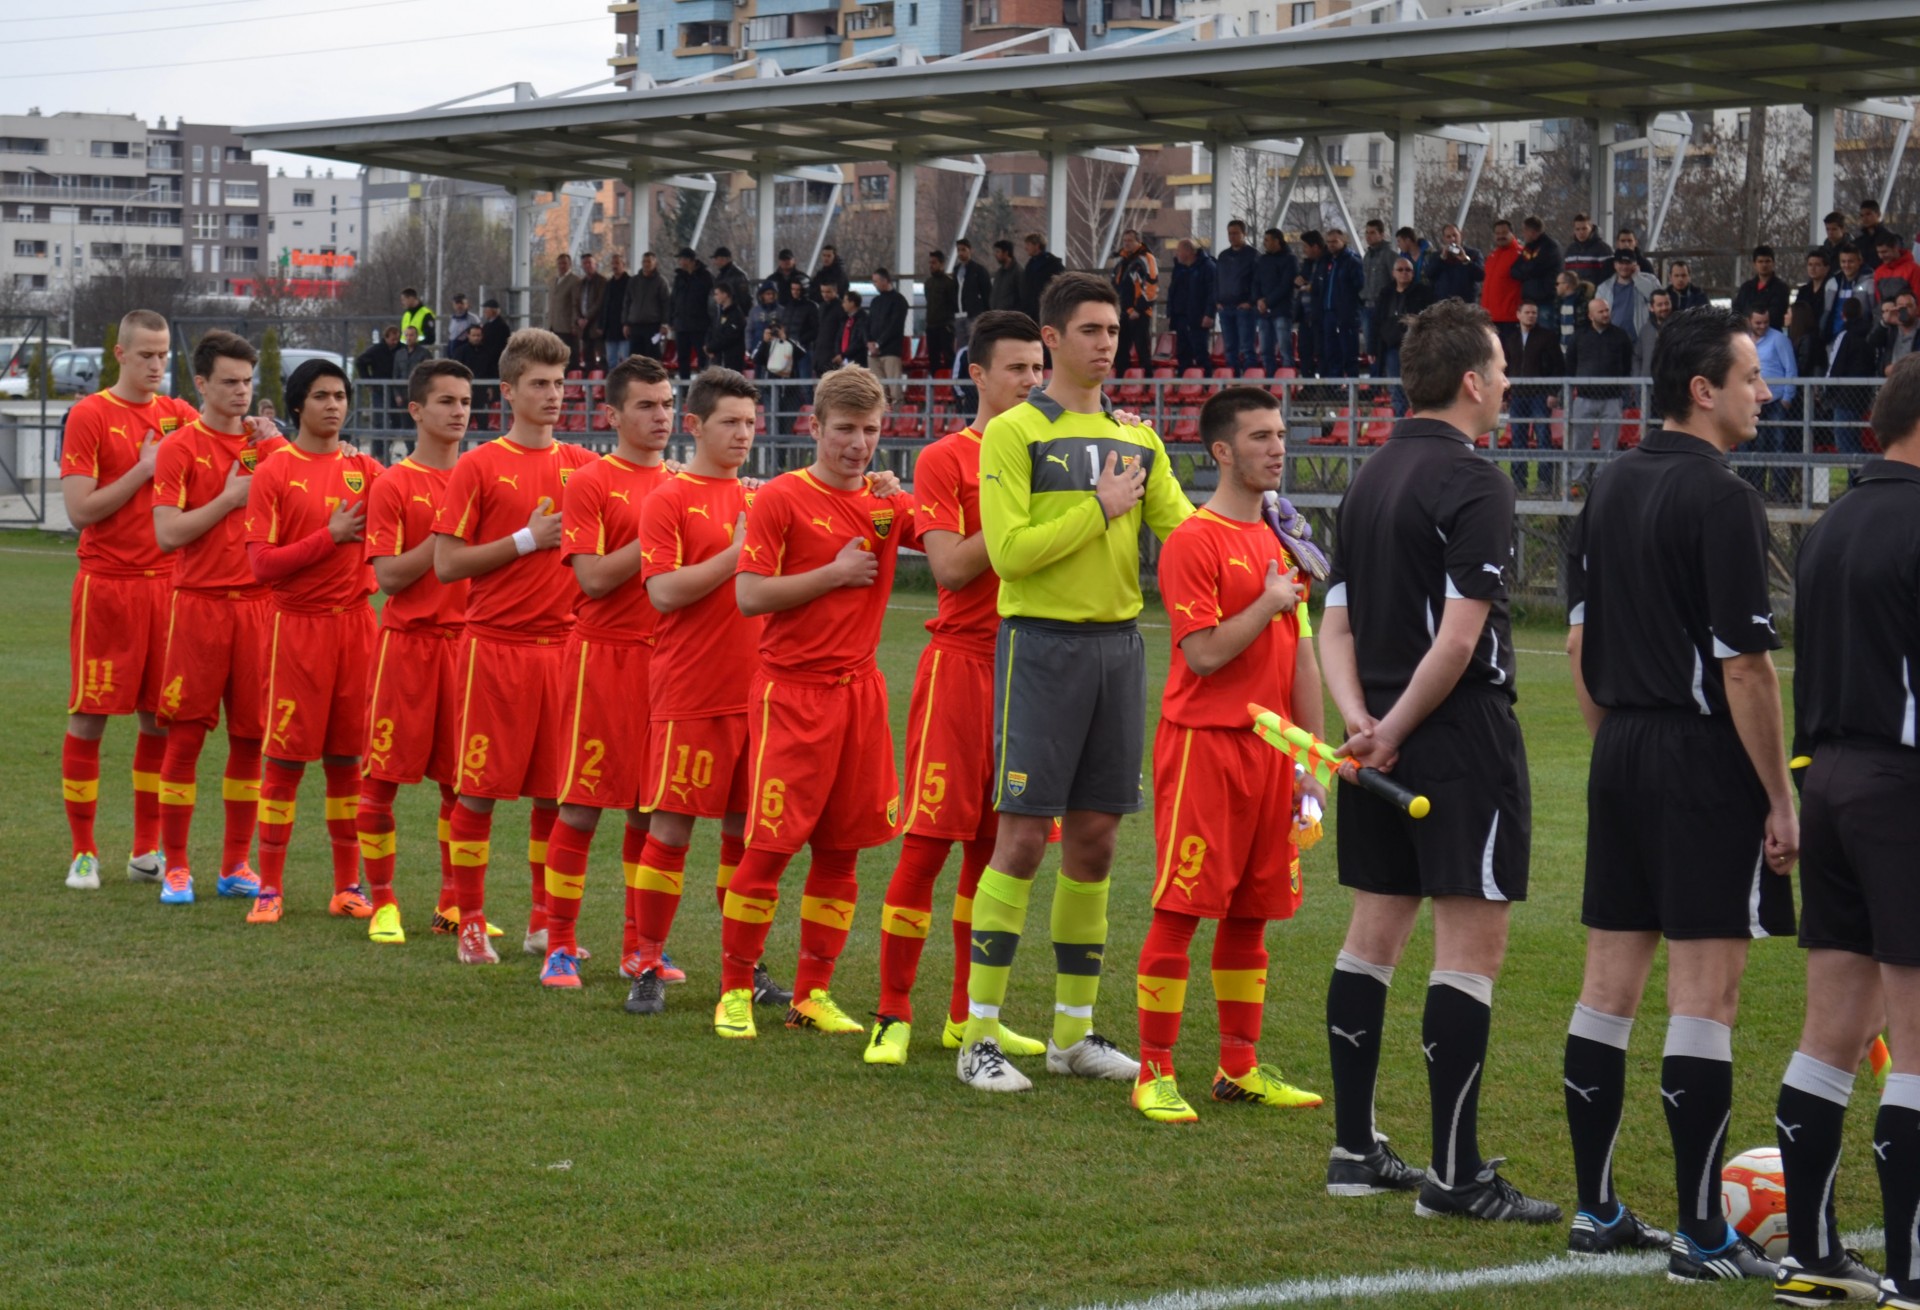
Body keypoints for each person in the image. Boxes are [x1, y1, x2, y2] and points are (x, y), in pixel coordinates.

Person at [1559, 305, 1793, 1278]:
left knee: (1607, 988)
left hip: (1620, 748)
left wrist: (1617, 742)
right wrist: (1780, 796)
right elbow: (1745, 666)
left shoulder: (1604, 486)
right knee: (1707, 995)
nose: (1765, 390)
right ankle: (1702, 1230)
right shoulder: (1723, 498)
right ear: (1702, 388)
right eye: (1750, 375)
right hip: (1699, 758)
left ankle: (1597, 1204)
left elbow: (1578, 643)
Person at [1318, 298, 1554, 1222]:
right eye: (1499, 369)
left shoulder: (1368, 475)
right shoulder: (1476, 480)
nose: (1506, 385)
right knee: (1469, 950)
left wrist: (1362, 722)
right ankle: (1456, 1178)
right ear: (1470, 380)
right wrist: (1400, 726)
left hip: (1378, 734)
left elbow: (1329, 622)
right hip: (1452, 737)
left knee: (1372, 936)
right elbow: (1458, 645)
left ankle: (1352, 1149)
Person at [958, 271, 1194, 1093]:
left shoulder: (1139, 437)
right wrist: (1096, 508)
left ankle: (1071, 1035)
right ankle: (979, 1037)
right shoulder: (1013, 432)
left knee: (1096, 840)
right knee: (1023, 837)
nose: (1107, 342)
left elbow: (1186, 536)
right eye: (1091, 329)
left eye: (1114, 329)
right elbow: (1010, 553)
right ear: (1052, 339)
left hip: (1119, 648)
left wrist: (1262, 550)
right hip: (1042, 647)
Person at [1131, 384, 1325, 1123]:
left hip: (1276, 756)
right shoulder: (1194, 541)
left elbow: (1301, 656)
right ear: (1221, 451)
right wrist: (1270, 601)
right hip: (1206, 748)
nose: (1277, 447)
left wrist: (1313, 759)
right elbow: (1205, 654)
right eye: (1259, 437)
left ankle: (1238, 1068)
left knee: (1254, 912)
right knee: (1183, 907)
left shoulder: (1283, 538)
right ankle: (1154, 1070)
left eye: (1279, 434)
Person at [864, 311, 1052, 1068]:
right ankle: (891, 1012)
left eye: (1039, 368)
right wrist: (1031, 512)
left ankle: (967, 1017)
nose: (1032, 382)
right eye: (1017, 369)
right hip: (965, 668)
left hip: (1038, 670)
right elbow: (949, 569)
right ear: (977, 375)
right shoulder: (949, 458)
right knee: (930, 845)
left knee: (996, 849)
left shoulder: (1065, 451)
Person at [1773, 355, 1920, 1309]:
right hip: (1902, 784)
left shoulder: (1830, 526)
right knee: (1913, 1041)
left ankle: (1813, 1256)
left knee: (1829, 1032)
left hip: (1823, 777)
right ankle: (1911, 1271)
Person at [714, 366, 914, 1041]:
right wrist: (831, 574)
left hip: (860, 697)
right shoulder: (778, 499)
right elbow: (749, 597)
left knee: (842, 851)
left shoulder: (888, 505)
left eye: (870, 431)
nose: (858, 445)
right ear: (814, 428)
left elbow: (959, 533)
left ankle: (812, 992)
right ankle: (735, 989)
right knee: (768, 847)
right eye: (845, 430)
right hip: (791, 695)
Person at [430, 328, 601, 965]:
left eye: (560, 384)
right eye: (539, 384)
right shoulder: (478, 465)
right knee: (477, 790)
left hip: (565, 649)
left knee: (556, 793)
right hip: (494, 648)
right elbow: (447, 565)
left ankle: (542, 922)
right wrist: (527, 540)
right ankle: (469, 919)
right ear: (508, 391)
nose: (554, 395)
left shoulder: (586, 466)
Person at [633, 367, 792, 1017]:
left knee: (744, 835)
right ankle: (645, 960)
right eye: (730, 421)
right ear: (695, 425)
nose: (744, 434)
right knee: (670, 829)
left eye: (752, 423)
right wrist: (736, 553)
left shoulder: (768, 497)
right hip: (690, 689)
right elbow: (663, 592)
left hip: (759, 692)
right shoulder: (669, 499)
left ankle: (744, 967)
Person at [539, 355, 675, 989]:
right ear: (613, 414)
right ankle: (560, 944)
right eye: (646, 405)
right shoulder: (592, 482)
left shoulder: (684, 481)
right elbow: (592, 578)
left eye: (668, 404)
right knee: (584, 804)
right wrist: (655, 533)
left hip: (669, 661)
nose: (661, 416)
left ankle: (638, 948)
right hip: (602, 657)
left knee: (651, 811)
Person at [57, 308, 199, 893]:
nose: (157, 366)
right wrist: (144, 470)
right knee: (90, 715)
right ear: (119, 354)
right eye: (145, 355)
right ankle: (84, 852)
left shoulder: (180, 416)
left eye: (164, 355)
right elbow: (79, 511)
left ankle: (146, 850)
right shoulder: (91, 415)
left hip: (169, 587)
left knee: (158, 719)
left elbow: (232, 462)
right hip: (108, 586)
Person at [149, 332, 289, 908]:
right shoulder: (181, 448)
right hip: (200, 606)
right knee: (183, 738)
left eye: (247, 381)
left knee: (251, 738)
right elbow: (167, 534)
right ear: (201, 384)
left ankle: (235, 863)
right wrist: (230, 499)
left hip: (259, 609)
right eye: (228, 381)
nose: (239, 391)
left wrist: (279, 445)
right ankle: (176, 866)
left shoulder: (271, 449)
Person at [241, 359, 382, 925]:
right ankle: (269, 887)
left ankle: (347, 886)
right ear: (297, 405)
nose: (334, 405)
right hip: (295, 629)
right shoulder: (275, 473)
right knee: (284, 760)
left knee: (347, 760)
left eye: (341, 395)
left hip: (355, 626)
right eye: (321, 395)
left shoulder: (367, 469)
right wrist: (331, 537)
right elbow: (261, 566)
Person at [357, 358, 480, 945]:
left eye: (465, 402)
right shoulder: (395, 484)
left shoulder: (480, 474)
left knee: (460, 784)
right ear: (416, 410)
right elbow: (388, 579)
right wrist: (444, 536)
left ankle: (452, 903)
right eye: (447, 402)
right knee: (381, 779)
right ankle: (382, 901)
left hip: (467, 648)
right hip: (407, 648)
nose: (459, 412)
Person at [1566, 296, 1634, 490]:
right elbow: (1570, 364)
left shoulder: (1621, 335)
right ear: (1590, 315)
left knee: (1609, 444)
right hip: (1584, 398)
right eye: (1601, 311)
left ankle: (1602, 482)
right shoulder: (1579, 336)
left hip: (1611, 399)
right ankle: (1577, 482)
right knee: (1581, 442)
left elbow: (1627, 364)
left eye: (1606, 310)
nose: (1605, 314)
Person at [1503, 300, 1563, 493]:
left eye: (1534, 313)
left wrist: (1553, 392)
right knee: (1518, 439)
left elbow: (1558, 366)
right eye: (1527, 312)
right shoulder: (1511, 339)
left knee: (1543, 437)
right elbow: (1504, 368)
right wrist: (1504, 396)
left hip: (1540, 395)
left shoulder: (1547, 337)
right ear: (1518, 314)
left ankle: (1545, 482)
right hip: (1517, 396)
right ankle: (1518, 481)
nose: (1531, 316)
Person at [1747, 305, 1799, 501]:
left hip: (1776, 401)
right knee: (1757, 446)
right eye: (1758, 323)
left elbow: (1790, 369)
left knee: (1778, 445)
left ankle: (1781, 491)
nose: (1762, 326)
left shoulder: (1778, 339)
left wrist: (1787, 397)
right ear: (1749, 321)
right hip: (1753, 403)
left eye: (1766, 322)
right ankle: (1757, 490)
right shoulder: (1744, 341)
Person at [1374, 256, 1435, 416]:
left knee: (1417, 386)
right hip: (1392, 347)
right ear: (1393, 273)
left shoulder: (1423, 293)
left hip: (1416, 348)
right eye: (1400, 270)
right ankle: (1400, 422)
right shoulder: (1385, 294)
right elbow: (1378, 321)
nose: (1404, 273)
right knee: (1396, 388)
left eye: (1408, 270)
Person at [1319, 228, 1366, 378]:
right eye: (1328, 242)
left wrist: (1350, 308)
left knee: (1349, 353)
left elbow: (1360, 286)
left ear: (1343, 241)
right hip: (1329, 313)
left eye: (1334, 241)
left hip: (1346, 314)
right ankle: (1336, 388)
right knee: (1332, 352)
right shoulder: (1328, 261)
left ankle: (1353, 389)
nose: (1331, 245)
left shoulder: (1352, 261)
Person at [1216, 219, 1261, 375]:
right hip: (1225, 308)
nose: (1232, 237)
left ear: (1244, 234)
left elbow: (1258, 281)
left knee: (1247, 348)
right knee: (1229, 348)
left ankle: (1250, 381)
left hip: (1245, 308)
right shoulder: (1223, 256)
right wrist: (1217, 301)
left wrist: (1250, 302)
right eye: (1230, 233)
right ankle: (1233, 382)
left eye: (1235, 233)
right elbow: (1217, 280)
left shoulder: (1253, 255)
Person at [1112, 229, 1159, 376]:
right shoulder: (1121, 262)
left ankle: (1149, 383)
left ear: (1138, 241)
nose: (1126, 244)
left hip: (1140, 313)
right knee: (1120, 350)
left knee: (1142, 349)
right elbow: (1115, 286)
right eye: (1125, 241)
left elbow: (1151, 285)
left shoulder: (1146, 258)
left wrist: (1139, 309)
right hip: (1123, 312)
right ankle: (1120, 384)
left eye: (1130, 241)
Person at [1167, 240, 1216, 374]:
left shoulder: (1207, 267)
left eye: (1179, 251)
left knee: (1200, 351)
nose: (1176, 254)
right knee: (1182, 352)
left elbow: (1212, 293)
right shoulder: (1179, 269)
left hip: (1198, 317)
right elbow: (1172, 292)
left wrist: (1209, 313)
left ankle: (1206, 382)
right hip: (1181, 317)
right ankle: (1184, 381)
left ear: (1188, 251)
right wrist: (1170, 313)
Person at [1254, 228, 1298, 373]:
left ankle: (1287, 383)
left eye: (1267, 240)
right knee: (1265, 351)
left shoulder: (1290, 259)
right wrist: (1259, 300)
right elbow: (1256, 282)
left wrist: (1267, 302)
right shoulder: (1262, 260)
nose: (1264, 243)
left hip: (1282, 311)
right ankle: (1270, 382)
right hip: (1264, 312)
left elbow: (1285, 286)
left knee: (1285, 350)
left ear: (1276, 241)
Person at [1791, 248, 1839, 378]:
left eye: (1817, 265)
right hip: (1803, 341)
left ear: (1827, 268)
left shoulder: (1831, 290)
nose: (1813, 268)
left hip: (1822, 342)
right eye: (1810, 265)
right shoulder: (1804, 291)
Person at [1601, 249, 1661, 346]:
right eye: (1621, 263)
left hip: (1642, 341)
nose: (1624, 266)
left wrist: (1637, 278)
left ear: (1635, 264)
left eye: (1628, 263)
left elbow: (1657, 298)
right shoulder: (1604, 288)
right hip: (1614, 342)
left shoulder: (1650, 279)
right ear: (1615, 265)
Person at [868, 268, 910, 405]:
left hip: (891, 351)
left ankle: (898, 421)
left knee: (894, 390)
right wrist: (869, 342)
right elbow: (869, 323)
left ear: (885, 281)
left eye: (876, 281)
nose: (874, 284)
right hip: (874, 352)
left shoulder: (899, 301)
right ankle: (883, 421)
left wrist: (878, 344)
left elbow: (894, 327)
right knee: (878, 391)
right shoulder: (875, 301)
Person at [670, 248, 713, 380]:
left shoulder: (705, 277)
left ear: (690, 261)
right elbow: (673, 300)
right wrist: (671, 320)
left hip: (699, 325)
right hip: (681, 325)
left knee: (702, 356)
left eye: (682, 259)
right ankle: (685, 388)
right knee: (683, 357)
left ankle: (703, 386)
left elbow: (711, 301)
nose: (680, 262)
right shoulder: (679, 278)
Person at [1730, 246, 1791, 332]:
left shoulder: (1781, 288)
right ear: (1754, 264)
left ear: (1773, 263)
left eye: (1767, 261)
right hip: (1746, 332)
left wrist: (1756, 322)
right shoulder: (1746, 287)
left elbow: (1776, 314)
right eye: (1760, 261)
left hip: (1770, 331)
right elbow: (1736, 310)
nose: (1764, 265)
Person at [624, 251, 670, 362]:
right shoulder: (633, 281)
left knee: (652, 358)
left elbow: (666, 304)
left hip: (653, 326)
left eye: (649, 261)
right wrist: (625, 323)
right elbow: (627, 302)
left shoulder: (661, 281)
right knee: (635, 359)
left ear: (655, 263)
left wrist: (665, 323)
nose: (646, 264)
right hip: (635, 326)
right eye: (644, 261)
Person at [1430, 222, 1487, 308]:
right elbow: (1429, 274)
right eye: (1448, 237)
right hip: (1443, 306)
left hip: (1467, 305)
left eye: (1455, 235)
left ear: (1460, 235)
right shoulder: (1436, 256)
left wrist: (1466, 260)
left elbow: (1481, 275)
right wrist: (1441, 259)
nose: (1452, 239)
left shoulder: (1474, 253)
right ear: (1444, 239)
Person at [1513, 215, 1564, 310]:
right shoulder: (1529, 247)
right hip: (1530, 299)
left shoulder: (1550, 247)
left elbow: (1535, 269)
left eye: (1524, 230)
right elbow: (1514, 269)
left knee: (1544, 324)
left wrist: (1525, 270)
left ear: (1532, 232)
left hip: (1546, 299)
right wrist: (1526, 269)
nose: (1523, 233)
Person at [356, 326, 401, 428]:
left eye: (397, 339)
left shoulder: (401, 349)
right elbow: (360, 362)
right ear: (386, 338)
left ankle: (389, 440)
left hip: (396, 389)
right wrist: (368, 381)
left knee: (397, 417)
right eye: (393, 339)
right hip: (379, 389)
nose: (395, 342)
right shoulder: (376, 350)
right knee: (379, 418)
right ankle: (378, 443)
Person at [923, 249, 959, 375]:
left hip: (945, 326)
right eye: (930, 263)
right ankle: (935, 387)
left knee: (948, 355)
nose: (931, 266)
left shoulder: (949, 283)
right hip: (931, 325)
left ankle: (950, 385)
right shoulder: (928, 283)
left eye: (934, 263)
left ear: (941, 264)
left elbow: (954, 304)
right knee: (933, 358)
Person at [476, 300, 510, 424]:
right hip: (488, 365)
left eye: (487, 309)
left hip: (495, 366)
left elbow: (499, 348)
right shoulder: (487, 326)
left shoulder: (501, 327)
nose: (485, 312)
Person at [1632, 288, 1675, 389]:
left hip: (1672, 388)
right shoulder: (1645, 330)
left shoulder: (1680, 327)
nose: (1664, 307)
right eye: (1660, 305)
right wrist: (1638, 380)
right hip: (1648, 389)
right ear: (1651, 308)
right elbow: (1637, 356)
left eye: (1667, 303)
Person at [1474, 221, 1515, 325]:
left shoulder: (1519, 255)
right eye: (1497, 233)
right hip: (1489, 317)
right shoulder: (1492, 256)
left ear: (1512, 233)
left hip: (1509, 319)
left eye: (1504, 232)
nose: (1501, 236)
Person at [818, 290, 868, 371]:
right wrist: (839, 354)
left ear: (852, 303)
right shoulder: (846, 319)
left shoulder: (863, 319)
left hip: (857, 360)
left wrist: (843, 355)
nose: (842, 304)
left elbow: (858, 341)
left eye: (845, 301)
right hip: (844, 359)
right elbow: (839, 337)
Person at [953, 238, 992, 344]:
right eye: (959, 250)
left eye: (963, 250)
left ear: (970, 250)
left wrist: (986, 313)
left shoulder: (978, 270)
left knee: (974, 343)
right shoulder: (956, 270)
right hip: (959, 313)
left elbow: (986, 292)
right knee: (962, 344)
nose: (960, 253)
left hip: (973, 313)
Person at [547, 253, 582, 368]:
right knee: (555, 357)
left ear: (570, 264)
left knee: (569, 357)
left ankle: (572, 382)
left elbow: (575, 304)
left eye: (564, 263)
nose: (562, 266)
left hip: (567, 327)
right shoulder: (553, 281)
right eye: (560, 263)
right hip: (553, 325)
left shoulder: (575, 281)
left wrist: (574, 324)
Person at [1020, 233, 1064, 323]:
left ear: (1037, 246)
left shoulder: (1053, 264)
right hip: (1032, 309)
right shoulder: (1031, 264)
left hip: (1045, 307)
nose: (1025, 248)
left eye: (1028, 245)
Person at [577, 253, 609, 373]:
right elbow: (577, 302)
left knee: (602, 357)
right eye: (584, 263)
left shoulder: (602, 281)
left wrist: (586, 317)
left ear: (596, 265)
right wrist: (579, 318)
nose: (587, 266)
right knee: (587, 358)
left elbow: (599, 303)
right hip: (584, 328)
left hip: (597, 326)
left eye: (589, 263)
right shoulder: (581, 283)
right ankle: (589, 387)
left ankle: (602, 386)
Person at [1561, 213, 1612, 286]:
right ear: (1574, 230)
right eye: (1577, 229)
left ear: (1591, 228)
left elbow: (1608, 277)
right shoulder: (1570, 250)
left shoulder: (1603, 249)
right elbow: (1566, 274)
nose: (1581, 232)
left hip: (1595, 294)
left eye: (1584, 228)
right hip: (1574, 294)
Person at [602, 253, 632, 369]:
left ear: (623, 265)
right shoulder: (609, 284)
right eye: (613, 263)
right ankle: (613, 386)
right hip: (610, 329)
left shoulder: (630, 282)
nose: (615, 266)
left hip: (624, 328)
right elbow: (605, 306)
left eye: (617, 263)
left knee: (626, 361)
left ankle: (625, 386)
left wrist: (628, 323)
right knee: (611, 360)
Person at [709, 284, 748, 373]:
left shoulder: (736, 314)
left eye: (717, 294)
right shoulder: (719, 313)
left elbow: (729, 336)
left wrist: (711, 347)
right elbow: (712, 330)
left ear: (725, 294)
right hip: (720, 358)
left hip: (733, 359)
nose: (715, 297)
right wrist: (708, 344)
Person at [1873, 229, 1920, 301]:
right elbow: (1878, 299)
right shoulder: (1879, 272)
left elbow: (1918, 298)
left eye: (1884, 252)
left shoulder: (1913, 269)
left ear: (1895, 248)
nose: (1881, 256)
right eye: (1879, 252)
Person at [1553, 271, 1590, 353]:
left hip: (1579, 352)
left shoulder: (1583, 304)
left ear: (1566, 285)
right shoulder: (1558, 304)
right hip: (1563, 352)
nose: (1556, 287)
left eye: (1557, 283)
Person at [710, 247, 750, 316]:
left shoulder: (738, 275)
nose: (715, 262)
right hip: (725, 313)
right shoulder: (721, 275)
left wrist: (740, 316)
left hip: (733, 315)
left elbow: (744, 299)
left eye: (717, 259)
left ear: (725, 259)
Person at [391, 326, 431, 395]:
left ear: (416, 336)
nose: (409, 338)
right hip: (403, 393)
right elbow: (395, 374)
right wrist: (397, 395)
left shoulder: (424, 353)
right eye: (407, 335)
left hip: (418, 392)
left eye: (411, 335)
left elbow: (428, 374)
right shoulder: (399, 354)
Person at [990, 239, 1022, 312]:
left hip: (1009, 316)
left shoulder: (1018, 272)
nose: (995, 254)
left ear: (1006, 253)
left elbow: (1022, 296)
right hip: (996, 314)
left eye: (998, 251)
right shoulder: (999, 272)